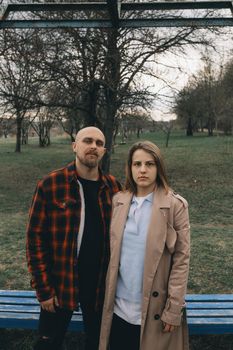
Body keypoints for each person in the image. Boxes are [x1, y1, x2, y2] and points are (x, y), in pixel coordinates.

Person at [26, 126, 121, 350]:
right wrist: (44, 289)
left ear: (104, 151)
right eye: (87, 141)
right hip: (60, 283)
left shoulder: (114, 188)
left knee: (98, 343)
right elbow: (34, 240)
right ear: (74, 146)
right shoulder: (51, 185)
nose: (93, 147)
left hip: (99, 285)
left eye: (99, 143)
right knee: (49, 342)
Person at [99, 140, 190, 350]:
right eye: (136, 164)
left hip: (154, 311)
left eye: (149, 164)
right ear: (129, 168)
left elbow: (181, 260)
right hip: (119, 309)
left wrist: (174, 309)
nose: (142, 170)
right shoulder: (118, 201)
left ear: (158, 167)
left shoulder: (175, 206)